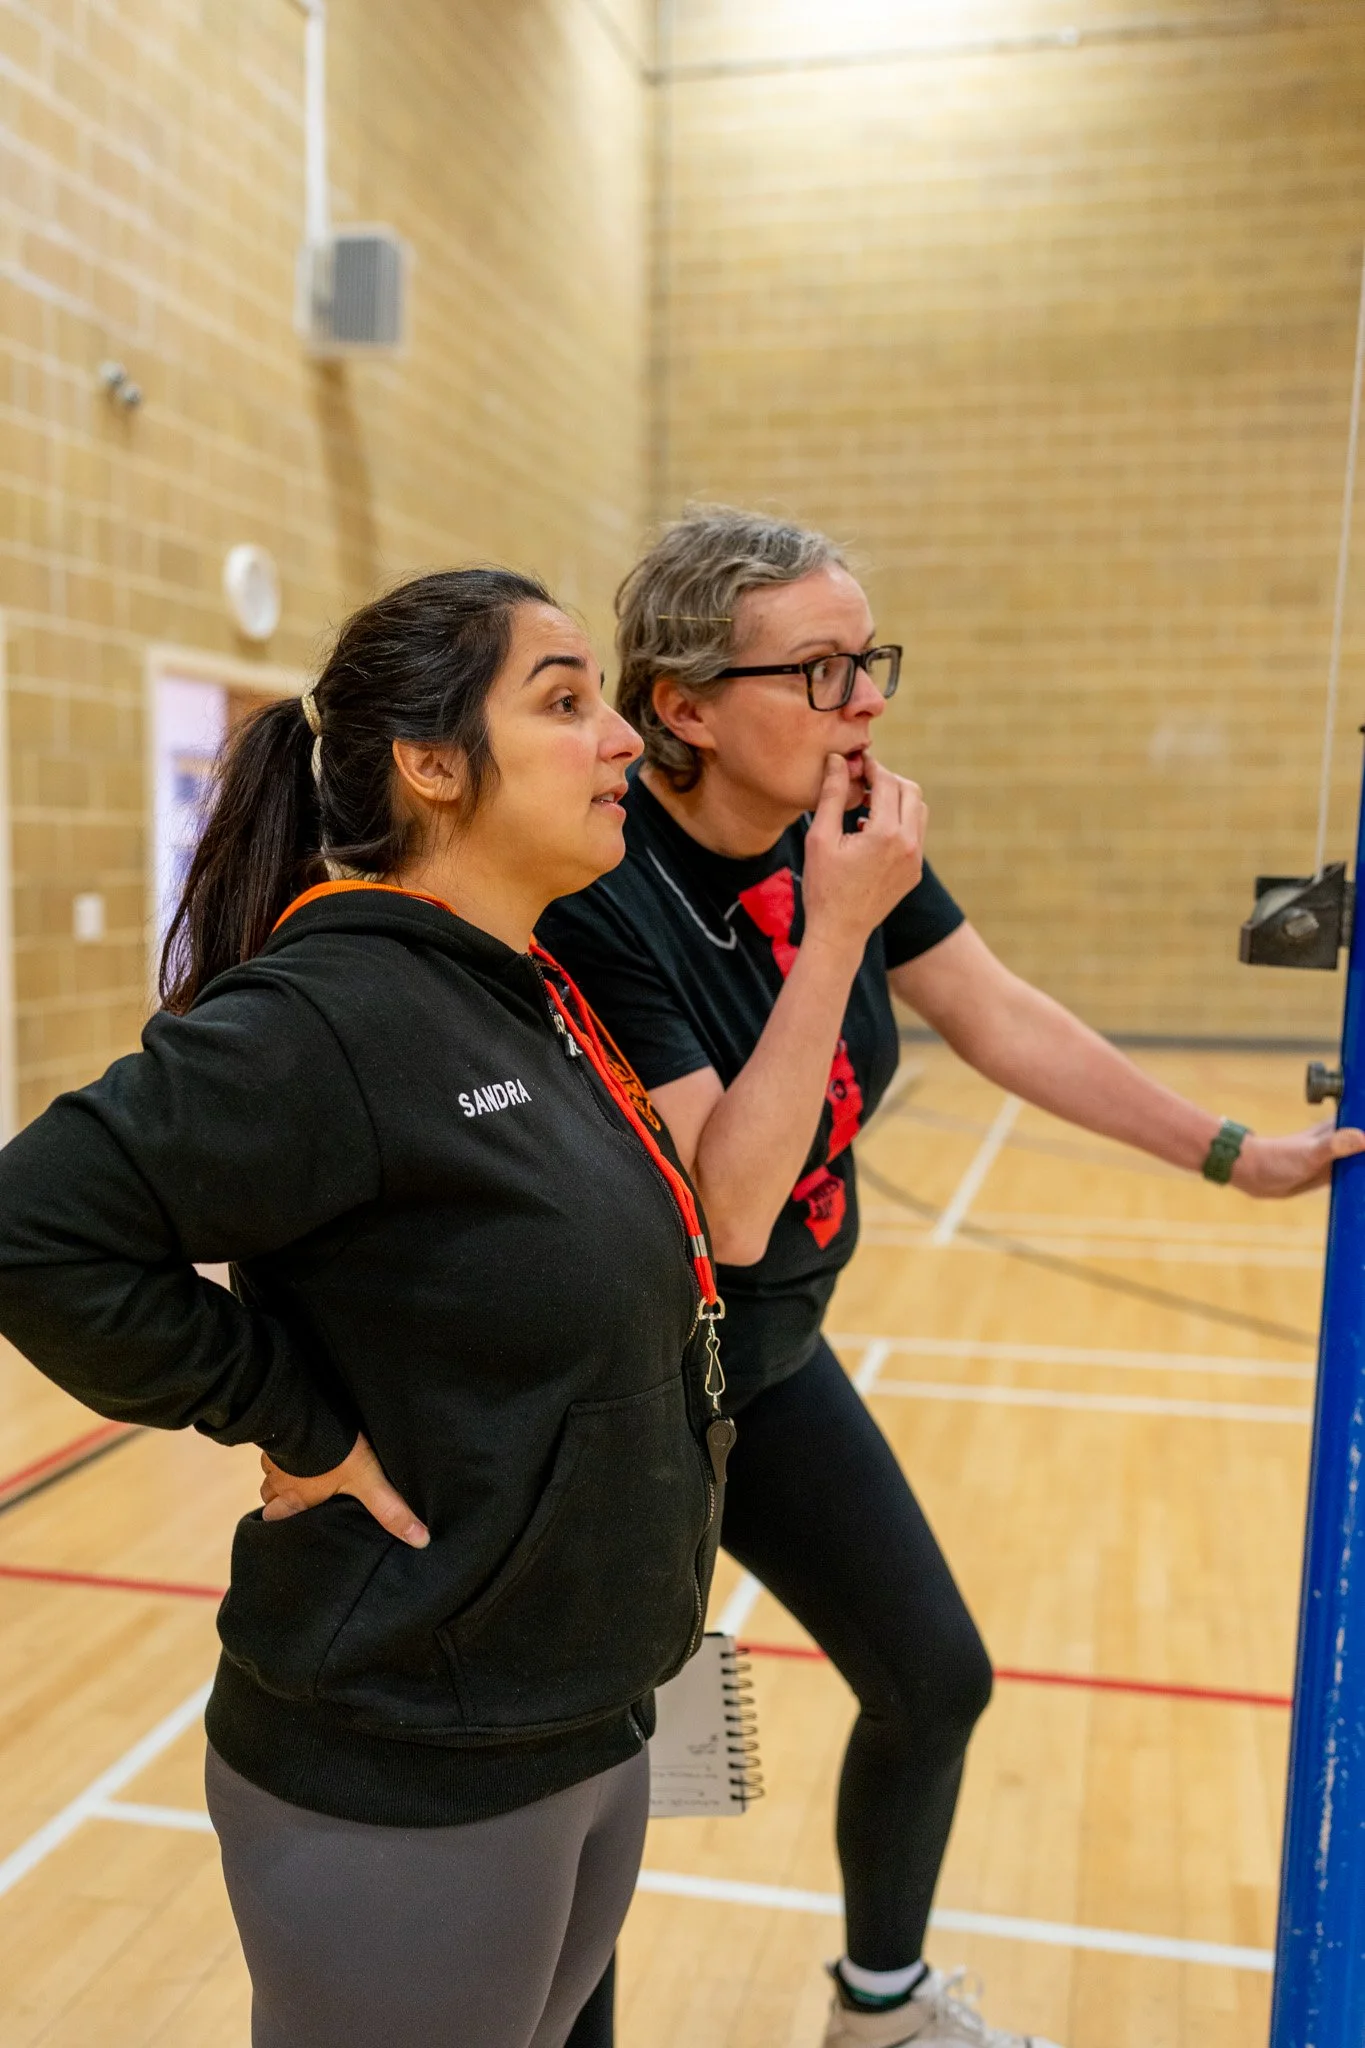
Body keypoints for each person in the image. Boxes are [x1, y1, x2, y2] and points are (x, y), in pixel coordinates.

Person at [539, 507, 1365, 2048]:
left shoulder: (830, 834)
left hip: (765, 1365)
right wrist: (839, 931)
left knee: (933, 1678)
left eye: (872, 661)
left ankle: (882, 2009)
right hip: (628, 1399)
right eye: (823, 671)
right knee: (590, 1789)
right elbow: (733, 1199)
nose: (868, 705)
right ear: (685, 708)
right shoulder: (606, 890)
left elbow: (997, 1013)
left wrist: (1227, 1150)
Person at [0, 568, 734, 2048]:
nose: (620, 743)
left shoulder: (522, 989)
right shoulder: (334, 1015)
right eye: (567, 701)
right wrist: (294, 1417)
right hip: (408, 1752)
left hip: (585, 1715)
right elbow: (33, 1225)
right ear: (432, 763)